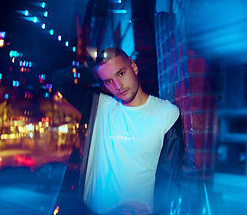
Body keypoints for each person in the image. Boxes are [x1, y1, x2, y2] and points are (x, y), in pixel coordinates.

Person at [52, 47, 184, 215]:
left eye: (121, 73)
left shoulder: (166, 113)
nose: (118, 85)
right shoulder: (101, 105)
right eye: (108, 81)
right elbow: (59, 79)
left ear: (134, 68)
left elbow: (170, 176)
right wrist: (95, 71)